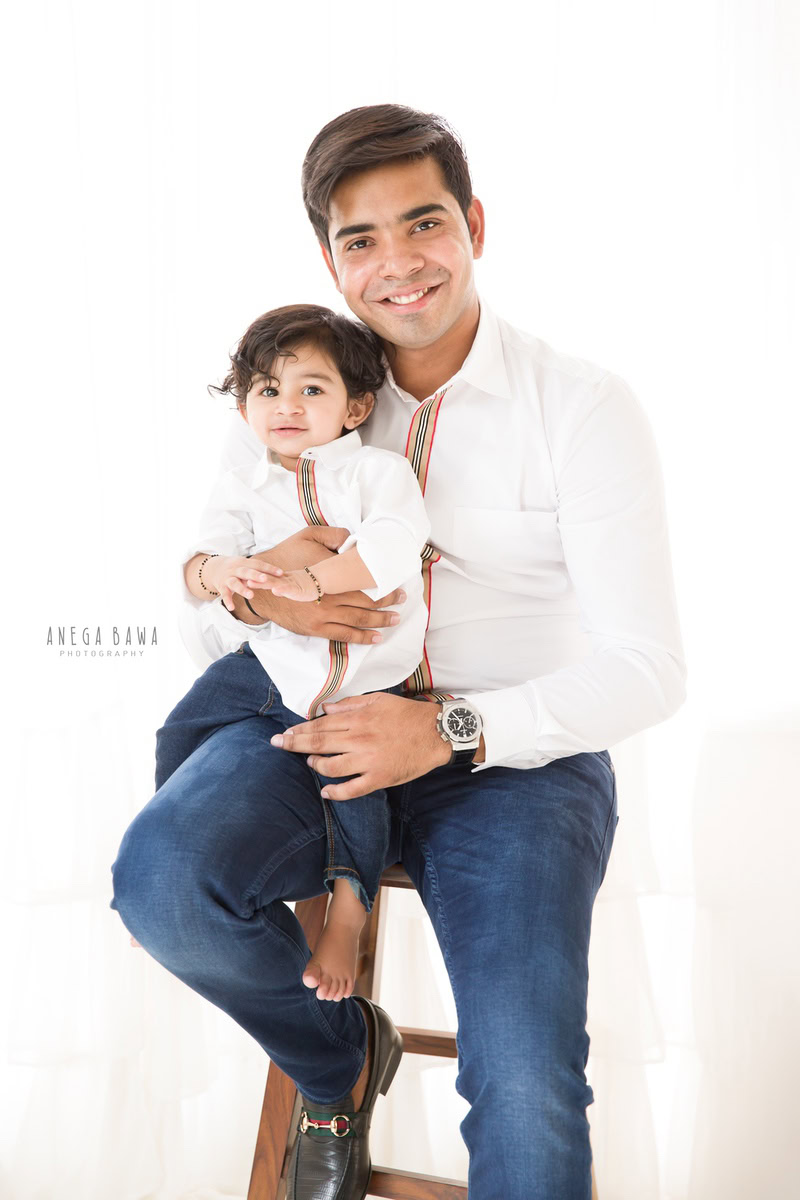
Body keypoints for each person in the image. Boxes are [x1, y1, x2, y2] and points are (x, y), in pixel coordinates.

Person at [111, 104, 687, 1200]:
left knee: (523, 1080)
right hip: (311, 722)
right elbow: (195, 622)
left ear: (473, 224)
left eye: (422, 225)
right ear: (327, 257)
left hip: (512, 759)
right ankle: (338, 1064)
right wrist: (265, 596)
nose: (396, 265)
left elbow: (647, 667)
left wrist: (445, 729)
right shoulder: (294, 392)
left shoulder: (580, 407)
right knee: (161, 885)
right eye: (357, 240)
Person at [159, 302, 431, 1003]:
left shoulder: (375, 473)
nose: (286, 405)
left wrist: (309, 581)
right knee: (179, 728)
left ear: (355, 405)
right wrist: (224, 574)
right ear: (244, 405)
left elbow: (392, 544)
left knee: (351, 783)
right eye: (266, 390)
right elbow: (202, 562)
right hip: (270, 667)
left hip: (362, 677)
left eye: (311, 389)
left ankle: (348, 911)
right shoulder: (242, 485)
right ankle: (159, 872)